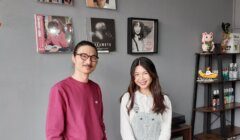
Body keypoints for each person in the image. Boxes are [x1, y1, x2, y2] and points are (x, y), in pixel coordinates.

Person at [46, 40, 107, 140]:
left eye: (93, 57)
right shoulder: (60, 90)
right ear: (74, 58)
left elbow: (100, 123)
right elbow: (53, 134)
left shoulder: (96, 88)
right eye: (84, 56)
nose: (88, 61)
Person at [120, 57, 172, 140]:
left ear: (152, 74)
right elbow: (125, 129)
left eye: (145, 73)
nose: (141, 78)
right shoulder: (127, 98)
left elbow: (166, 130)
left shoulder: (164, 100)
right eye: (137, 74)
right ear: (133, 77)